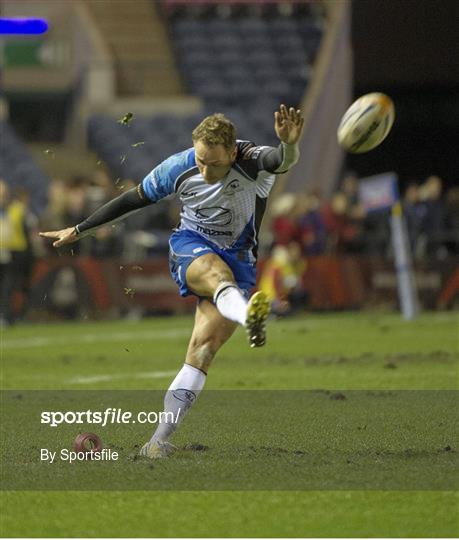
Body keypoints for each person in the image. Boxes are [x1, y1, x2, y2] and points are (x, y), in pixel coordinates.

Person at [40, 104, 304, 458]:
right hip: (190, 247)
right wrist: (80, 229)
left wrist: (288, 144)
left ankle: (157, 440)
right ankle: (249, 316)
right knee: (214, 273)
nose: (204, 169)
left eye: (213, 162)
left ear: (231, 151)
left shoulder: (252, 160)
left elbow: (281, 160)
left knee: (202, 351)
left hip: (239, 258)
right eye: (199, 160)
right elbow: (133, 201)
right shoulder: (179, 166)